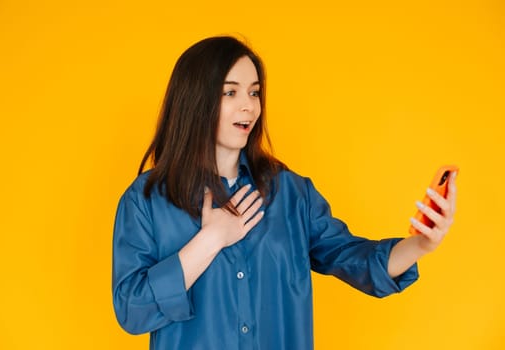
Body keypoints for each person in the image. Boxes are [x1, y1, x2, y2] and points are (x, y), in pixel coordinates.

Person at [112, 36, 457, 350]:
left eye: (254, 92)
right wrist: (210, 240)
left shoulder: (291, 194)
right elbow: (132, 310)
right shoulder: (145, 201)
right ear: (195, 101)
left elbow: (355, 260)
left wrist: (422, 244)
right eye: (230, 92)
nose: (248, 106)